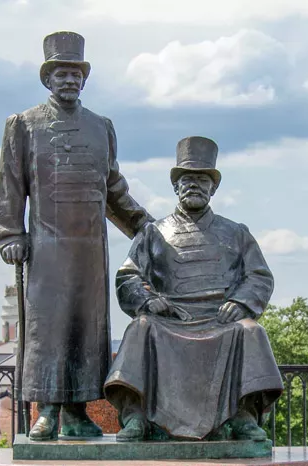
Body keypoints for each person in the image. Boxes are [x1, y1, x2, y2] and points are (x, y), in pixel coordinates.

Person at [0, 31, 153, 441]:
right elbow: (10, 186)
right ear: (48, 78)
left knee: (87, 329)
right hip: (45, 247)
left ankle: (78, 412)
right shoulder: (24, 125)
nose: (70, 80)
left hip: (90, 249)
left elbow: (113, 189)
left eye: (76, 74)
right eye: (62, 73)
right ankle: (47, 412)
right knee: (47, 328)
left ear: (84, 79)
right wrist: (10, 234)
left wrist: (147, 226)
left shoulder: (101, 127)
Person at [104, 136, 283, 442]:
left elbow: (259, 276)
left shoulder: (236, 232)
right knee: (141, 328)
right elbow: (128, 276)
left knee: (251, 331)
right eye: (187, 180)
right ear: (176, 187)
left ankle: (242, 416)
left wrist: (241, 303)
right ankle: (136, 416)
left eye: (202, 180)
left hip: (220, 319)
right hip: (171, 318)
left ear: (213, 188)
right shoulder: (153, 232)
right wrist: (147, 300)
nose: (194, 186)